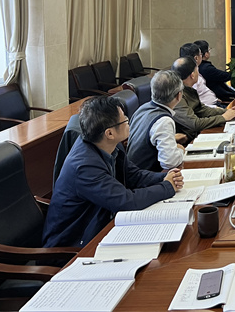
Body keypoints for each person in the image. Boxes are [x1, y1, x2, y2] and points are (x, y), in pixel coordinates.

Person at [43, 96, 183, 248]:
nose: (128, 122)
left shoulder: (107, 145)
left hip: (100, 224)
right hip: (74, 244)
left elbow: (134, 175)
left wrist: (165, 177)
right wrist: (167, 187)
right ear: (109, 133)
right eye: (125, 120)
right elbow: (126, 201)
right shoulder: (84, 167)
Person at [171, 56, 235, 142]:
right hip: (187, 139)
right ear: (192, 75)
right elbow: (195, 124)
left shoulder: (188, 89)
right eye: (197, 71)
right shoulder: (176, 95)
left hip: (196, 133)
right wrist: (223, 117)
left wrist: (229, 112)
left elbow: (202, 110)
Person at [127, 70, 186, 172]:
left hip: (132, 172)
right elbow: (169, 162)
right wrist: (180, 149)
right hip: (145, 177)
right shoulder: (163, 121)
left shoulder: (142, 108)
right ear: (179, 95)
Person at [180, 42, 221, 108]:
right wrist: (216, 108)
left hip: (214, 104)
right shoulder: (189, 76)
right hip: (209, 108)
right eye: (201, 54)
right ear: (196, 58)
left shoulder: (195, 69)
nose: (202, 56)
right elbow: (195, 105)